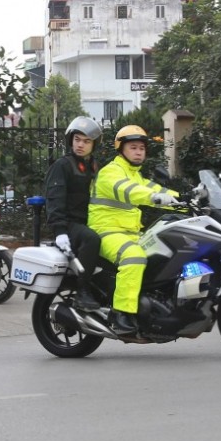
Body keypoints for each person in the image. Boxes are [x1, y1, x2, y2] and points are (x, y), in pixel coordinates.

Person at [88, 125, 181, 335]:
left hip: (130, 233)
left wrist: (187, 199)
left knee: (163, 254)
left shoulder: (135, 175)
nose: (139, 152)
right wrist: (153, 198)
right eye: (133, 147)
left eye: (142, 148)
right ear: (121, 149)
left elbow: (155, 189)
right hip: (106, 231)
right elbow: (130, 191)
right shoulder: (111, 172)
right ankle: (121, 313)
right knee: (134, 258)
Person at [44, 116, 103, 311]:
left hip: (89, 220)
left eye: (86, 141)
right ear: (71, 140)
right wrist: (60, 230)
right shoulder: (62, 165)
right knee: (92, 240)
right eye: (77, 140)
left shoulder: (94, 167)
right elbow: (55, 199)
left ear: (93, 144)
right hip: (69, 223)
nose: (80, 145)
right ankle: (82, 292)